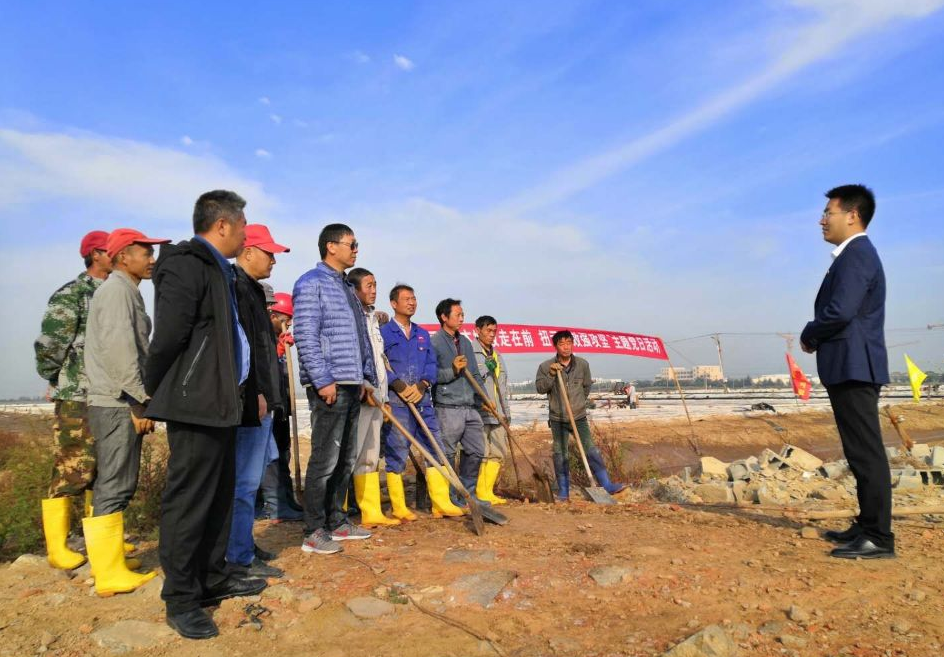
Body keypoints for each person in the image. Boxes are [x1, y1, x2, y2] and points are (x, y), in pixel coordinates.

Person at [145, 190, 267, 640]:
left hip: (222, 401)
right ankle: (181, 598)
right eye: (243, 226)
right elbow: (168, 337)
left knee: (218, 495)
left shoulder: (221, 271)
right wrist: (154, 388)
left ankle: (213, 578)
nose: (246, 235)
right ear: (222, 225)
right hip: (195, 402)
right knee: (190, 501)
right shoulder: (187, 265)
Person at [801, 184, 893, 559]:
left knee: (866, 453)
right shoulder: (853, 255)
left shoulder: (856, 254)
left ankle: (878, 537)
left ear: (852, 215)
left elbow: (840, 310)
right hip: (849, 364)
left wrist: (810, 333)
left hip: (855, 365)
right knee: (859, 452)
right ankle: (866, 525)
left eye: (829, 212)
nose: (822, 220)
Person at [84, 229, 169, 595]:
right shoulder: (117, 292)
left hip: (117, 398)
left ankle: (112, 559)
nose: (152, 260)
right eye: (145, 253)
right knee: (115, 483)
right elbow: (121, 352)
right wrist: (140, 400)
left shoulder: (124, 290)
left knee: (117, 481)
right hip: (116, 402)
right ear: (122, 257)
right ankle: (108, 574)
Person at [293, 224, 377, 555]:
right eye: (351, 244)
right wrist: (321, 378)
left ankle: (337, 521)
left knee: (344, 459)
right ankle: (314, 530)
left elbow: (361, 338)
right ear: (331, 246)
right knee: (325, 459)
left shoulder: (345, 287)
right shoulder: (311, 283)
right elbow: (305, 335)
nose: (356, 249)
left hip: (352, 384)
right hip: (330, 384)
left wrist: (365, 378)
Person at [34, 229, 112, 571]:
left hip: (107, 396)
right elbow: (50, 346)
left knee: (103, 470)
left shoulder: (113, 292)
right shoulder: (72, 295)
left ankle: (101, 543)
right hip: (77, 397)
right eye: (111, 250)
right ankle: (58, 547)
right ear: (95, 254)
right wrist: (59, 378)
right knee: (73, 468)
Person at [227, 224, 291, 580]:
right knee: (244, 483)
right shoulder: (235, 288)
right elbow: (241, 349)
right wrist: (255, 393)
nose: (273, 261)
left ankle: (243, 545)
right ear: (248, 251)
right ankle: (238, 555)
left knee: (250, 481)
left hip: (264, 400)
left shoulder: (252, 290)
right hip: (252, 402)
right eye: (269, 254)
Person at [380, 285, 464, 520]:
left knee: (435, 447)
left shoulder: (422, 334)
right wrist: (397, 384)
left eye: (414, 298)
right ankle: (399, 507)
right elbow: (378, 365)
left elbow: (431, 365)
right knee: (397, 451)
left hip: (422, 401)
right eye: (406, 299)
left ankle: (441, 503)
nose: (412, 302)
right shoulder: (383, 334)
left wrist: (422, 385)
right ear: (394, 304)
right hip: (398, 401)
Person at [535, 330, 626, 500]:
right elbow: (540, 388)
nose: (566, 347)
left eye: (569, 343)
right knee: (560, 454)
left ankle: (606, 484)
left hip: (579, 417)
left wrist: (578, 403)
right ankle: (563, 491)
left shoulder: (582, 364)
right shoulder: (545, 366)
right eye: (562, 344)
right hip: (558, 419)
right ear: (555, 346)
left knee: (591, 449)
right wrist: (552, 374)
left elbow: (586, 387)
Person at [348, 268, 400, 527]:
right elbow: (353, 356)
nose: (374, 290)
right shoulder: (351, 315)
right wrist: (364, 386)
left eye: (375, 285)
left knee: (370, 454)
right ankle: (338, 512)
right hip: (359, 395)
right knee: (351, 454)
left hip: (376, 395)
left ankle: (371, 511)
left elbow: (379, 362)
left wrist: (384, 396)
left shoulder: (372, 318)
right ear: (354, 288)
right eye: (368, 285)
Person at [430, 298, 487, 506]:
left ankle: (467, 494)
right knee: (447, 453)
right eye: (458, 315)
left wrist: (484, 397)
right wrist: (452, 370)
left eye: (463, 315)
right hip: (448, 407)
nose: (462, 318)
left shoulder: (465, 342)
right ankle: (449, 497)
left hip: (470, 405)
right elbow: (430, 376)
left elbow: (474, 374)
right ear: (444, 317)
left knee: (476, 450)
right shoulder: (434, 343)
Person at [256, 288, 304, 522]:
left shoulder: (276, 338)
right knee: (270, 457)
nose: (289, 324)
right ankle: (272, 505)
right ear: (273, 315)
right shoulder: (262, 336)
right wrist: (277, 349)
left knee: (283, 453)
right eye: (286, 319)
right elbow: (262, 367)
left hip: (281, 406)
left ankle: (286, 499)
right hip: (266, 406)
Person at [471, 315, 511, 505]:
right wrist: (486, 369)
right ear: (478, 330)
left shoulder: (497, 355)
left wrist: (507, 413)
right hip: (481, 411)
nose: (492, 334)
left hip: (499, 412)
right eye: (488, 330)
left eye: (494, 331)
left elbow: (503, 386)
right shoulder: (471, 352)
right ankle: (480, 493)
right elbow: (470, 381)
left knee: (498, 451)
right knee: (483, 452)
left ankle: (488, 491)